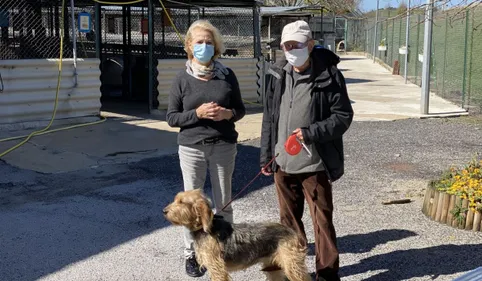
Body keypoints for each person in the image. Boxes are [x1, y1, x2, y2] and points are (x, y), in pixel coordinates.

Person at [259, 20, 354, 281]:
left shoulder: (329, 74)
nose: (291, 50)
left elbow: (343, 116)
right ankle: (295, 272)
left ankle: (326, 275)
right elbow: (269, 117)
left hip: (314, 164)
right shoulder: (277, 74)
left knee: (322, 224)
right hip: (283, 163)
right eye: (286, 45)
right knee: (288, 224)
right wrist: (267, 156)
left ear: (310, 45)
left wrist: (311, 133)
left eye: (297, 45)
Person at [166, 19, 246, 278]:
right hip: (192, 148)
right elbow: (172, 117)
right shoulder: (181, 78)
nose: (204, 46)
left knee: (224, 202)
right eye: (199, 42)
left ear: (216, 46)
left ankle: (225, 249)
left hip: (223, 146)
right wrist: (197, 114)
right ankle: (193, 253)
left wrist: (227, 114)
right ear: (189, 45)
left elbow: (240, 110)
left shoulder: (226, 75)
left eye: (209, 42)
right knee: (190, 207)